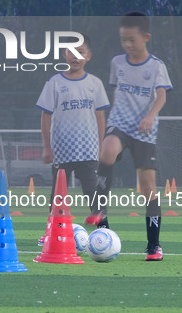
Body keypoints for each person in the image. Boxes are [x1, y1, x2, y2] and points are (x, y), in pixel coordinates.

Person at [86, 12, 172, 261]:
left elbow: (162, 96)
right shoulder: (117, 63)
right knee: (107, 150)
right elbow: (117, 93)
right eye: (124, 40)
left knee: (148, 189)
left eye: (132, 40)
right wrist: (113, 119)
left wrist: (150, 116)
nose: (127, 45)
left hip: (144, 131)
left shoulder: (156, 66)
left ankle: (154, 246)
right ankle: (99, 211)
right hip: (120, 124)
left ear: (146, 38)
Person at [36, 34, 110, 245]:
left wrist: (101, 146)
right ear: (64, 55)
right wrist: (47, 147)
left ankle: (105, 231)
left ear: (89, 56)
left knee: (92, 191)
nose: (76, 56)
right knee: (58, 195)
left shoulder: (95, 84)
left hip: (88, 149)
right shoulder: (55, 83)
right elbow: (45, 115)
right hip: (61, 150)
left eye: (81, 52)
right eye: (71, 51)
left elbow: (100, 116)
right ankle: (51, 232)